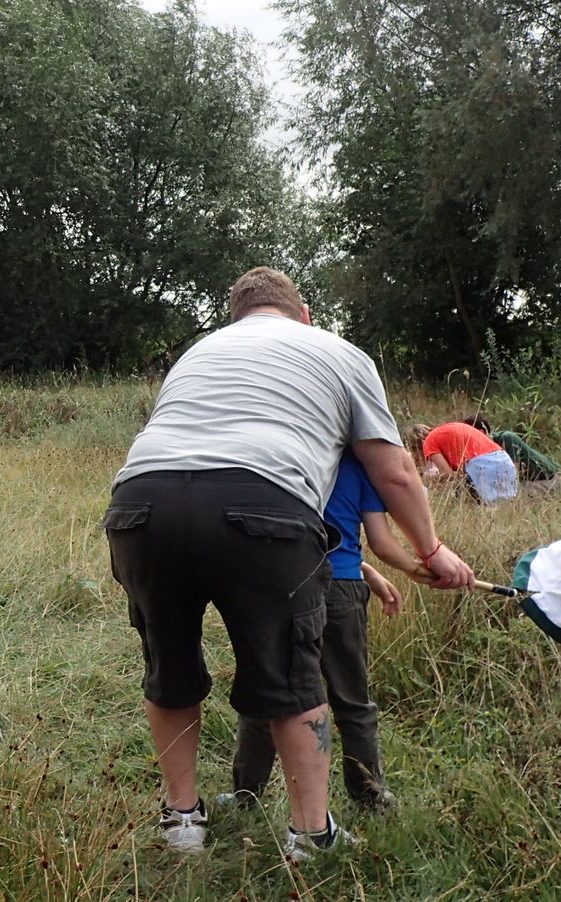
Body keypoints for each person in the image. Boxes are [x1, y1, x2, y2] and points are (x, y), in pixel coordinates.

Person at [105, 266, 473, 861]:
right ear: (303, 315)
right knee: (293, 681)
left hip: (142, 503)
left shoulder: (202, 351)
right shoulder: (337, 351)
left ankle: (182, 819)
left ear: (238, 318)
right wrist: (430, 550)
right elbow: (395, 470)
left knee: (170, 666)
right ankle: (310, 834)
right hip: (263, 506)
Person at [230, 451, 428, 814]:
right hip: (343, 589)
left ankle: (247, 795)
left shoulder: (285, 456)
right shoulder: (359, 465)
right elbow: (381, 543)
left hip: (285, 584)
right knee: (353, 700)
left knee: (265, 691)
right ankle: (370, 798)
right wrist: (419, 568)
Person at [413, 421, 518, 504]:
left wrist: (423, 480)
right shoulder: (445, 430)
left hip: (484, 467)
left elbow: (448, 474)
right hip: (504, 461)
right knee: (504, 510)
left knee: (477, 509)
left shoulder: (428, 442)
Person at [462, 414, 561, 496]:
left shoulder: (506, 440)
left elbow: (513, 481)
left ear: (481, 433)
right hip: (529, 482)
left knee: (514, 495)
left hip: (550, 480)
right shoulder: (481, 452)